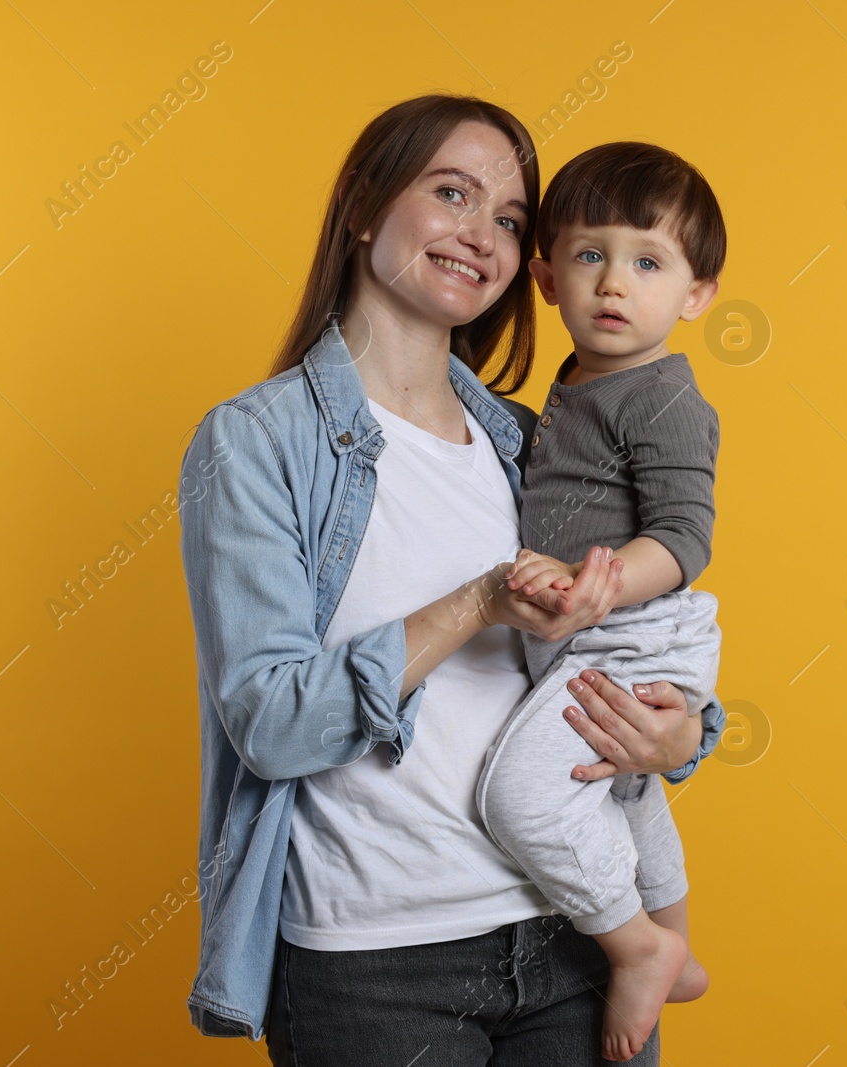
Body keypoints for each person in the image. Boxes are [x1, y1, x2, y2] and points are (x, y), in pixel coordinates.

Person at [177, 94, 727, 1066]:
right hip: (375, 966)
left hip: (574, 935)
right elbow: (268, 720)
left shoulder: (530, 439)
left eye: (510, 220)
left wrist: (680, 732)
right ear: (362, 205)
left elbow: (630, 628)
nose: (481, 234)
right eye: (451, 193)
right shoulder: (257, 443)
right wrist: (478, 600)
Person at [475, 141, 725, 1062]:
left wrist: (596, 581)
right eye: (590, 257)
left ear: (696, 294)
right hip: (600, 631)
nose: (614, 284)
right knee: (622, 797)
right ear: (544, 277)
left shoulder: (661, 395)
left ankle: (636, 943)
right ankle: (677, 941)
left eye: (648, 263)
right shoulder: (580, 379)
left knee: (522, 796)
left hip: (633, 632)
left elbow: (685, 536)